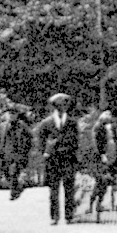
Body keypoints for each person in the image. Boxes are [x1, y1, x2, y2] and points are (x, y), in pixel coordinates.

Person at [40, 93, 80, 224]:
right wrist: (47, 153)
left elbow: (76, 142)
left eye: (65, 105)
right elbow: (41, 142)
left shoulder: (72, 123)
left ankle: (69, 216)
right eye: (60, 105)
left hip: (68, 159)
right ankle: (54, 216)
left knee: (69, 189)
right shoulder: (46, 123)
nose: (63, 108)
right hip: (53, 160)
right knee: (53, 190)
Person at [0, 106, 36, 201]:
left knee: (14, 173)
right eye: (9, 114)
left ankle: (13, 193)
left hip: (18, 154)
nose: (11, 116)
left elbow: (31, 138)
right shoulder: (2, 126)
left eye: (13, 114)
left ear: (17, 115)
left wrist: (27, 151)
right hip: (5, 153)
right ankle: (18, 188)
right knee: (6, 174)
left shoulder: (22, 126)